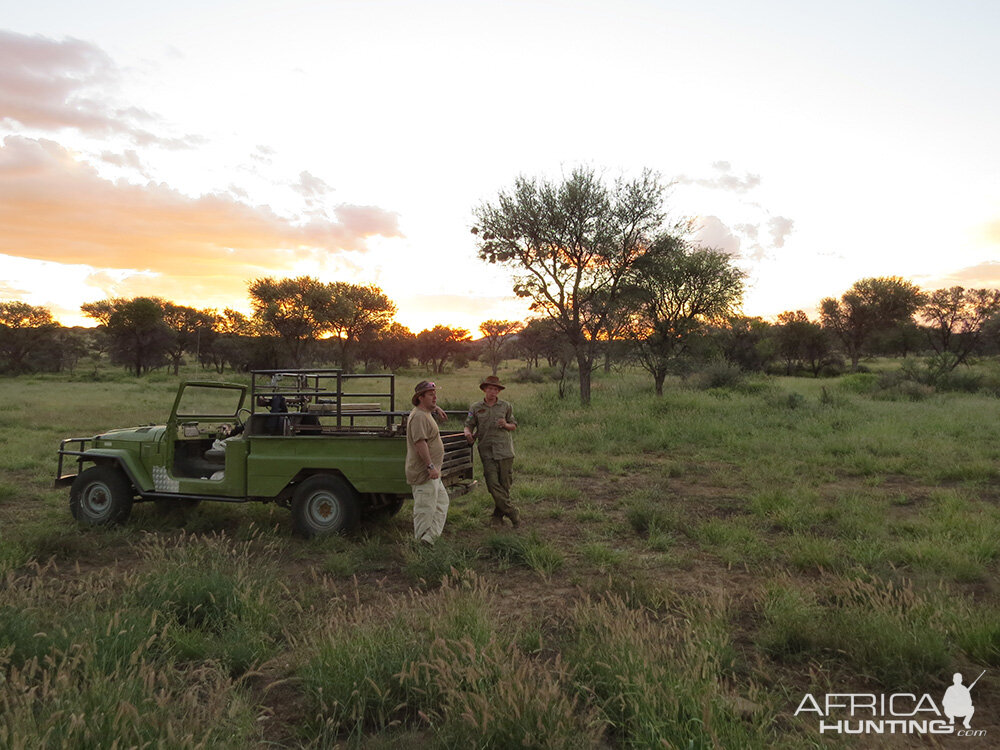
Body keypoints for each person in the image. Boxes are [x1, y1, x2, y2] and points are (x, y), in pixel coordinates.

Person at [464, 375, 520, 528]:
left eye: (495, 389)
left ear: (498, 391)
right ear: (484, 390)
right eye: (489, 389)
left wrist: (505, 424)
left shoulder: (506, 406)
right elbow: (469, 425)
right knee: (492, 484)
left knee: (504, 486)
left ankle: (497, 517)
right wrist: (468, 434)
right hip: (486, 451)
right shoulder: (476, 407)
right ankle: (512, 512)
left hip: (505, 451)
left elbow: (513, 425)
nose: (492, 392)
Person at [405, 380, 449, 545]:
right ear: (420, 397)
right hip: (425, 473)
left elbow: (428, 409)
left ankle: (428, 540)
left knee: (442, 503)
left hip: (433, 473)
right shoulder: (418, 417)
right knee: (425, 510)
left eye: (435, 393)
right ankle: (420, 546)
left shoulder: (425, 413)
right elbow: (420, 444)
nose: (435, 397)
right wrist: (430, 466)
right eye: (431, 394)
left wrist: (435, 408)